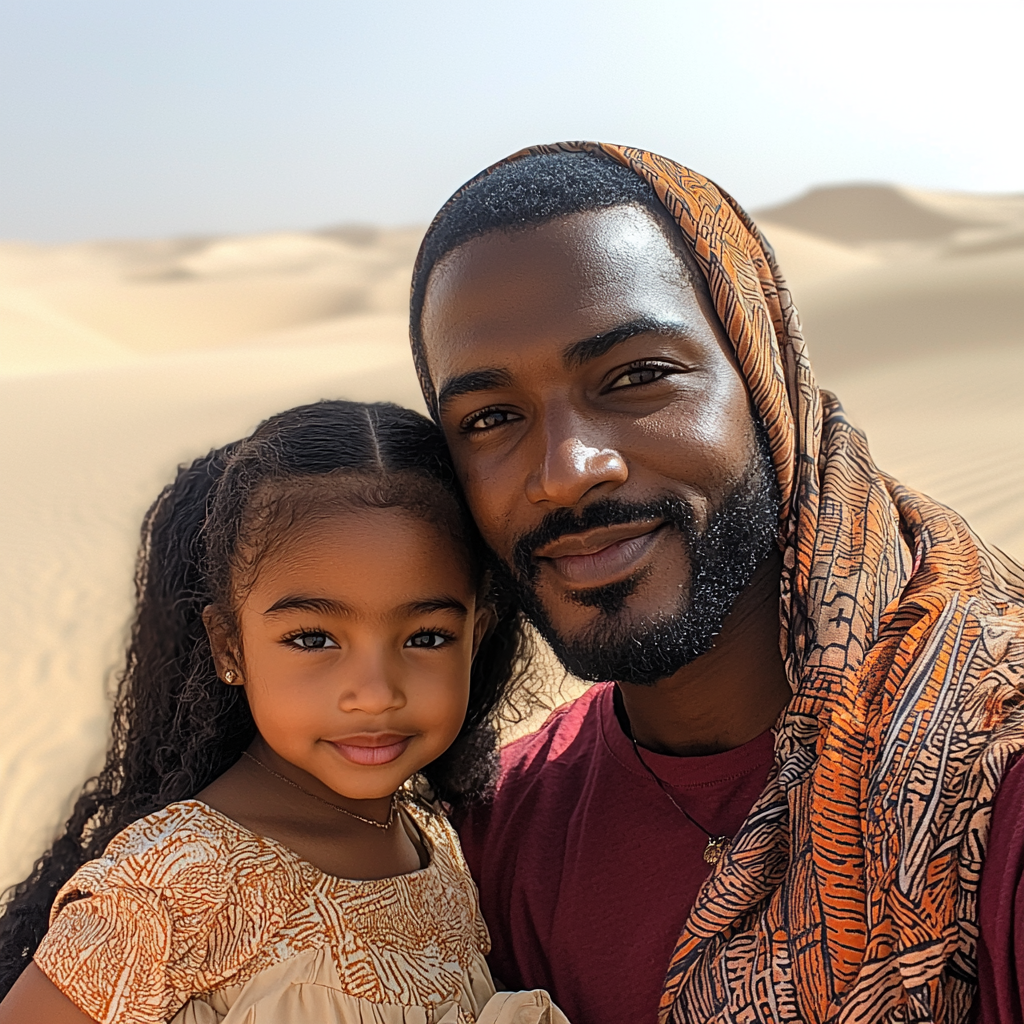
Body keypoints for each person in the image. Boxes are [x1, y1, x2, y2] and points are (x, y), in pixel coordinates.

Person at [408, 143, 1024, 1023]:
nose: (567, 470)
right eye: (491, 418)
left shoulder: (993, 762)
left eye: (637, 377)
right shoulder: (501, 833)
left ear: (764, 375)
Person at [0, 400, 568, 1024]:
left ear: (475, 638)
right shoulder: (181, 882)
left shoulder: (434, 845)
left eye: (426, 637)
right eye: (313, 639)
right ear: (229, 648)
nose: (375, 692)